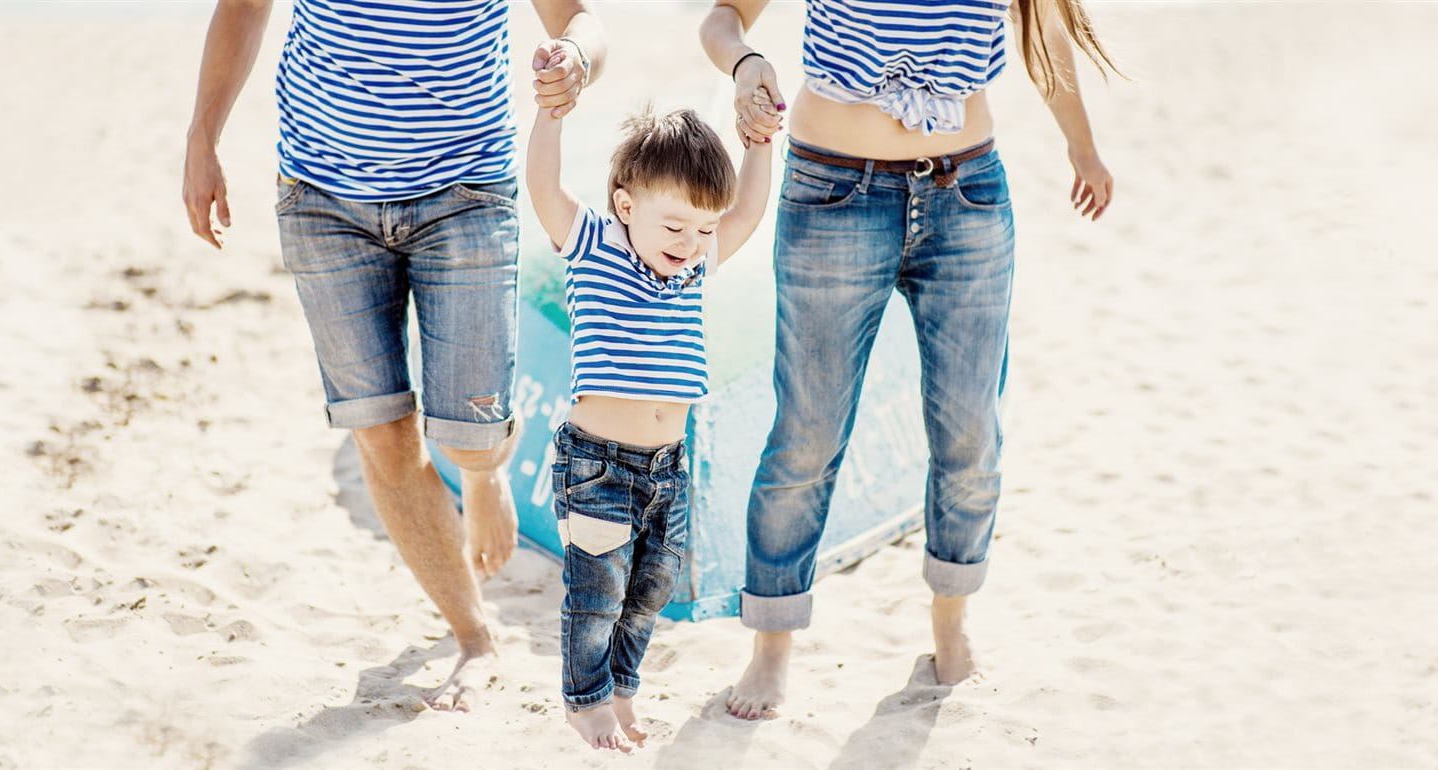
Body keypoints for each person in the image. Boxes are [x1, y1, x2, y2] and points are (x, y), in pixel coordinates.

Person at [180, 0, 607, 712]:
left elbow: (580, 17)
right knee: (381, 432)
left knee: (471, 435)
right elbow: (246, 7)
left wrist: (577, 58)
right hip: (323, 199)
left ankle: (479, 470)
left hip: (463, 195)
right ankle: (475, 637)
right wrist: (203, 138)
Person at [700, 0, 1121, 719]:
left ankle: (950, 629)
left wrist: (1082, 147)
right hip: (832, 191)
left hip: (967, 195)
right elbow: (723, 18)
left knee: (968, 429)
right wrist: (747, 66)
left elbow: (1046, 32)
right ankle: (770, 649)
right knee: (809, 433)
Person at [524, 45, 774, 748]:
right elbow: (543, 188)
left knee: (651, 590)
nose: (692, 243)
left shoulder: (695, 267)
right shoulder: (594, 245)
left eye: (701, 229)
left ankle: (623, 690)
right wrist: (552, 114)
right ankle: (585, 701)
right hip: (597, 462)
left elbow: (749, 212)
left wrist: (759, 144)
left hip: (669, 465)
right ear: (627, 206)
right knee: (597, 592)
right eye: (674, 227)